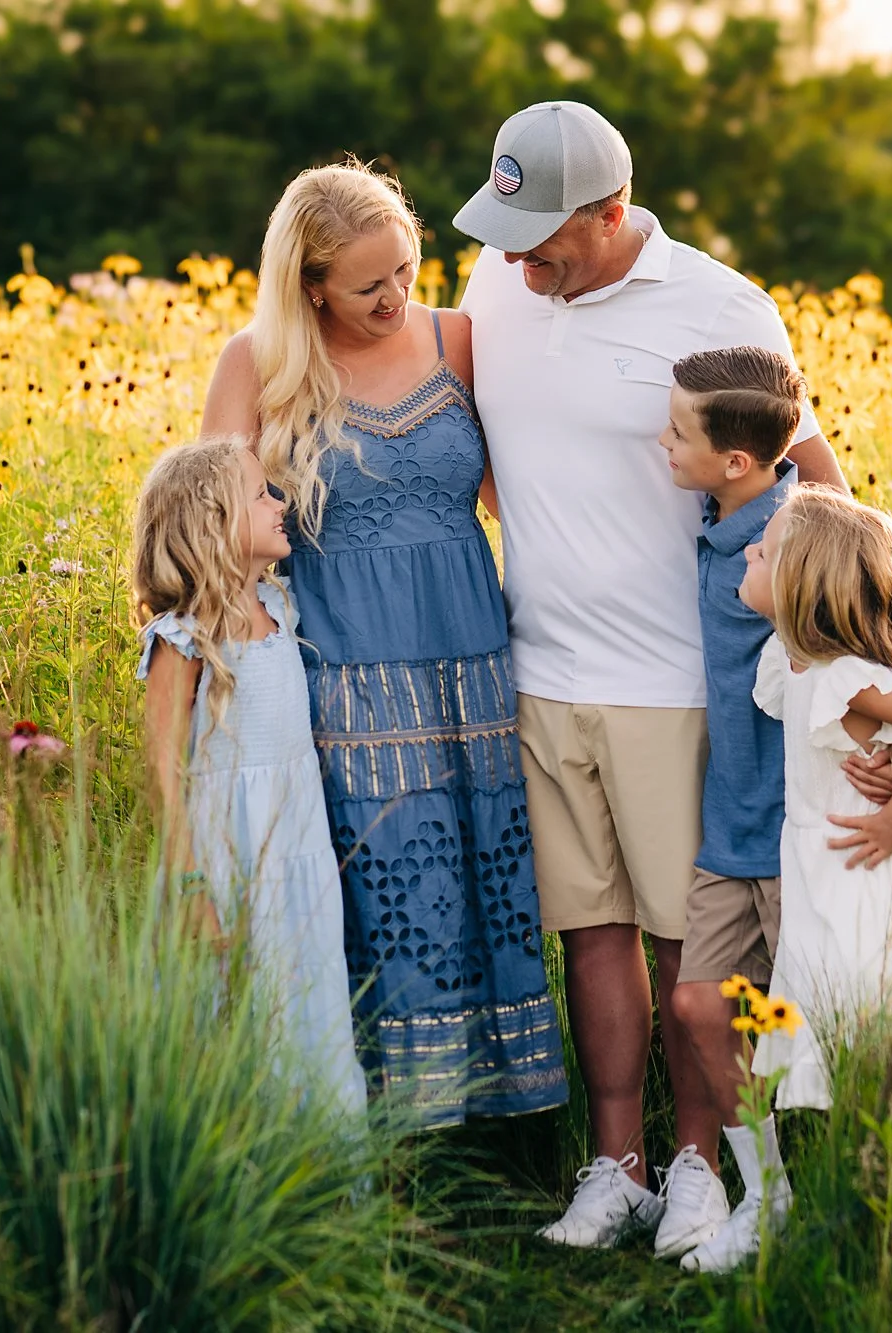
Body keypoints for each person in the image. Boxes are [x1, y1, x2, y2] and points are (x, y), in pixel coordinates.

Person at [452, 100, 886, 1248]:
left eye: (540, 236)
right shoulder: (496, 282)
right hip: (538, 669)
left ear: (609, 213)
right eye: (503, 228)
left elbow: (816, 493)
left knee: (689, 946)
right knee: (587, 931)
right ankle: (618, 1164)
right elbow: (492, 454)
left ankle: (708, 1162)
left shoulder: (718, 304)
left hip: (678, 684)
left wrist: (867, 688)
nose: (512, 257)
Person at [199, 162, 567, 1126]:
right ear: (309, 285)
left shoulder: (459, 339)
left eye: (406, 268)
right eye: (369, 285)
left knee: (492, 869)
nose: (396, 296)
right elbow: (210, 523)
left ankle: (507, 1116)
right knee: (383, 882)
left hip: (472, 660)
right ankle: (397, 1124)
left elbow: (527, 497)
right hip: (345, 673)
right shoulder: (259, 363)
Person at [740, 486, 892, 1168]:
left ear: (804, 582)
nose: (751, 549)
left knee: (857, 1018)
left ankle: (882, 1177)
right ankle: (834, 1179)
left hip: (862, 874)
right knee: (827, 1015)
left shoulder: (840, 673)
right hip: (825, 869)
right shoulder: (793, 661)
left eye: (769, 546)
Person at [132, 434, 367, 1114]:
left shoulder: (282, 609)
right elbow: (163, 770)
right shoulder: (185, 639)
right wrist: (189, 886)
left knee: (306, 1009)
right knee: (230, 1019)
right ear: (213, 523)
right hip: (224, 863)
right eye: (261, 494)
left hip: (297, 859)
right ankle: (235, 1175)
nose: (278, 502)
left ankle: (319, 1171)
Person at [648, 345, 804, 1267]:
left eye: (678, 431)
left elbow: (882, 646)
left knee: (809, 1018)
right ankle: (768, 1192)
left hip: (793, 830)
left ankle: (853, 1187)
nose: (662, 440)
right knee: (703, 1003)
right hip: (729, 825)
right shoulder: (720, 514)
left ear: (735, 461)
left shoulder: (797, 536)